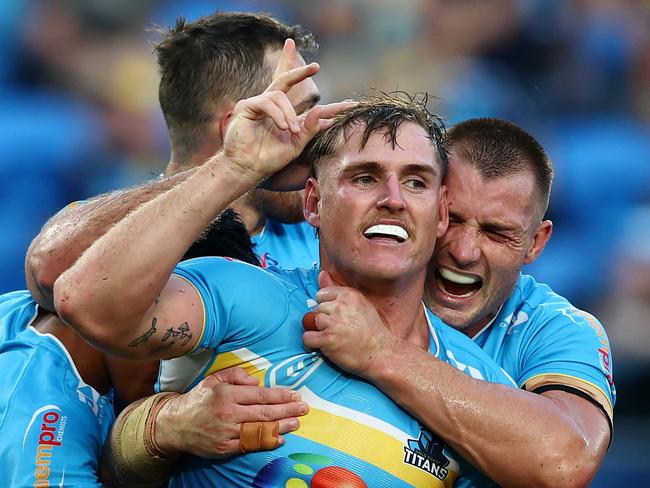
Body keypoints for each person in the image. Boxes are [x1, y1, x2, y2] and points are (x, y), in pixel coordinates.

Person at [53, 77, 518, 487]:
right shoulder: (246, 295)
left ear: (440, 214)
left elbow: (559, 467)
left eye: (416, 182)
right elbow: (84, 302)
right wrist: (235, 169)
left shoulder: (476, 384)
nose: (392, 199)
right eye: (364, 178)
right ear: (313, 203)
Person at [302, 118, 615, 487]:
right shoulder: (342, 261)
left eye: (497, 233)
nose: (464, 252)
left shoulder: (557, 329)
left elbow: (565, 465)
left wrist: (380, 352)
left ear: (536, 242)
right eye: (452, 219)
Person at [26, 12, 322, 320]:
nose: (317, 133)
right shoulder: (125, 241)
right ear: (238, 127)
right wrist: (234, 168)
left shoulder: (328, 226)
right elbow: (48, 269)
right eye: (300, 114)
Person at [0, 211, 309, 488]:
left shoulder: (21, 316)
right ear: (136, 306)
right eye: (187, 341)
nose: (195, 381)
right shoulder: (46, 419)